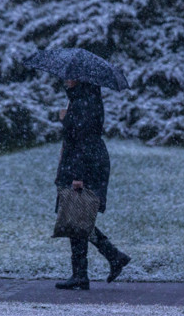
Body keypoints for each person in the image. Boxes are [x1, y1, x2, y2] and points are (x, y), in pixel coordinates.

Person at [54, 79, 131, 291]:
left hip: (84, 166)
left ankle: (88, 270)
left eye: (69, 77)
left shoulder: (83, 103)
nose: (65, 80)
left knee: (76, 215)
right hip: (85, 162)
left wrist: (78, 176)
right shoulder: (83, 100)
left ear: (79, 79)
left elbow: (82, 142)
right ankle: (103, 261)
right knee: (76, 216)